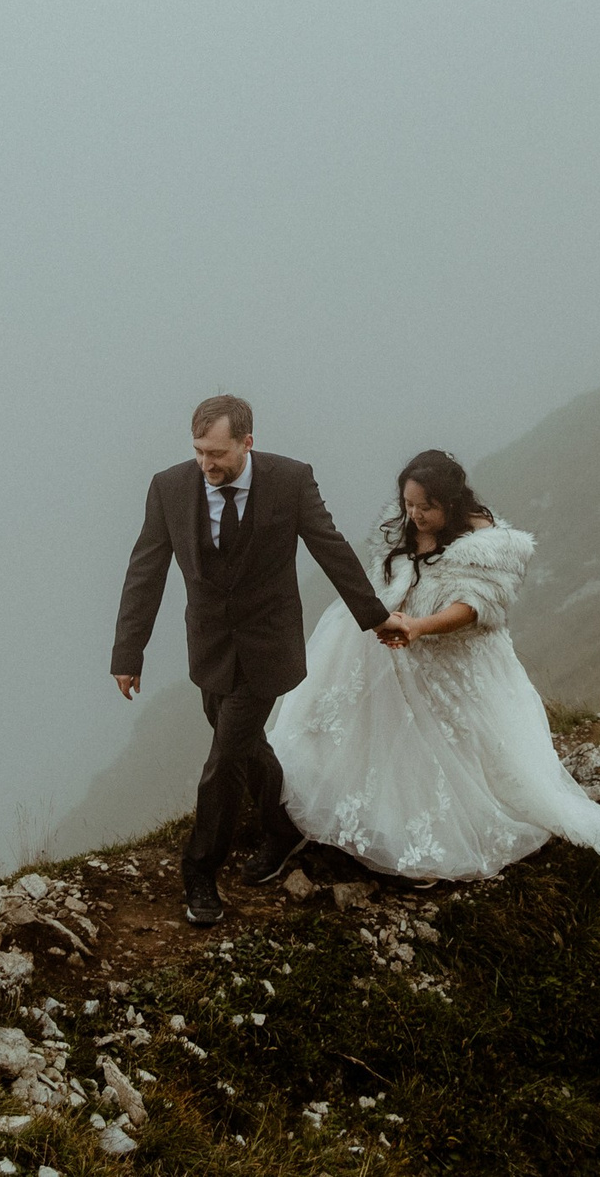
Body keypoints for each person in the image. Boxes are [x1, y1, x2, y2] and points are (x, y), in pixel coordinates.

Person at [267, 449, 600, 882]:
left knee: (455, 752)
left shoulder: (491, 547)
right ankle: (357, 821)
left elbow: (474, 608)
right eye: (408, 503)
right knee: (374, 735)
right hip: (396, 647)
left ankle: (435, 841)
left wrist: (420, 627)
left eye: (425, 506)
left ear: (450, 504)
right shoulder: (404, 526)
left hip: (453, 664)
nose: (414, 514)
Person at [111, 394, 393, 926]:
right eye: (197, 452)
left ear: (247, 442)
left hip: (268, 644)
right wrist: (129, 651)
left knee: (223, 757)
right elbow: (145, 571)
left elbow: (329, 546)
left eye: (216, 453)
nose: (205, 465)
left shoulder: (291, 479)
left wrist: (375, 616)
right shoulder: (169, 487)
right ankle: (281, 826)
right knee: (239, 739)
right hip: (211, 647)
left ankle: (199, 869)